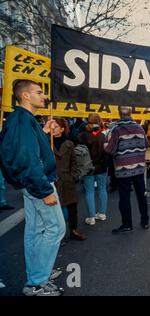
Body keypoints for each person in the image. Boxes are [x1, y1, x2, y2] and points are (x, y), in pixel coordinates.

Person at [0, 79, 66, 295]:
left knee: (35, 231)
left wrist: (44, 131)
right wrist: (44, 190)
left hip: (32, 183)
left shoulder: (23, 119)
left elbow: (28, 150)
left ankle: (36, 277)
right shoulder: (22, 120)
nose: (44, 96)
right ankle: (37, 281)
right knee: (56, 228)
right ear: (25, 96)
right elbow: (26, 158)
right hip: (38, 184)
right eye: (39, 92)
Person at [104, 106, 149, 233]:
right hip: (139, 168)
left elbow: (110, 150)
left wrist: (105, 145)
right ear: (131, 113)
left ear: (119, 113)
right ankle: (145, 221)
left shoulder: (117, 130)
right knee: (141, 195)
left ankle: (127, 224)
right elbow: (146, 144)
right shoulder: (140, 128)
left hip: (123, 169)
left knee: (124, 197)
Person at [51, 118, 86, 241]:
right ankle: (55, 236)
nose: (53, 129)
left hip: (67, 180)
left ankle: (73, 231)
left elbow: (74, 162)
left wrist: (73, 176)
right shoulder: (46, 143)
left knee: (72, 207)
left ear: (62, 129)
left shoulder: (69, 144)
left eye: (55, 126)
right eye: (51, 126)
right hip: (52, 180)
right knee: (54, 210)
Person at [78, 114, 109, 225]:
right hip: (101, 166)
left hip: (87, 167)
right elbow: (106, 152)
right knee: (102, 189)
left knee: (89, 191)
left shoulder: (82, 136)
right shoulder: (103, 136)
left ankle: (91, 217)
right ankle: (102, 213)